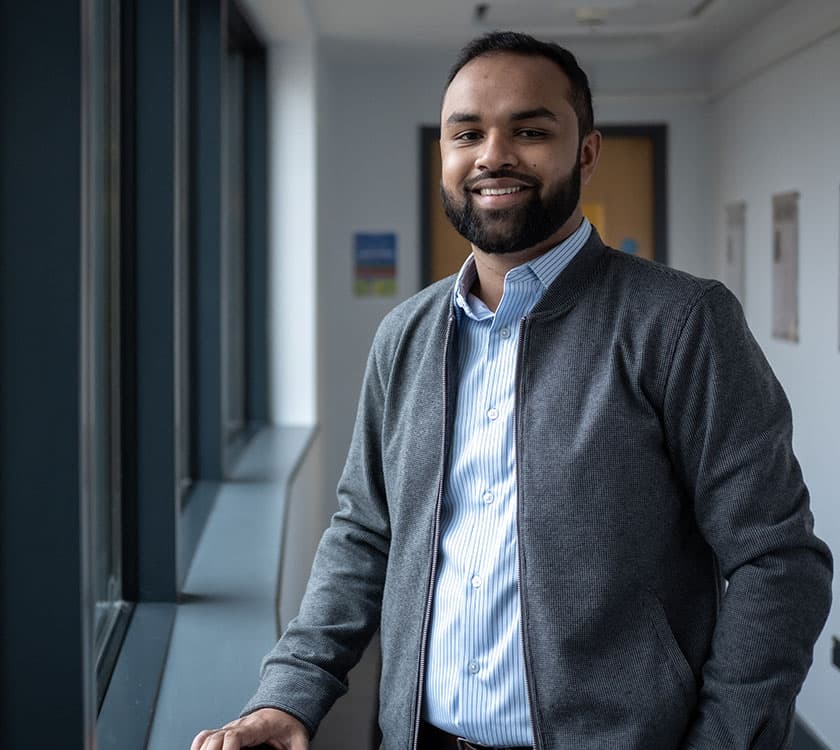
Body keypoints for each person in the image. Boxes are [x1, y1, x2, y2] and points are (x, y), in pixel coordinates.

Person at [191, 31, 833, 750]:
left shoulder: (681, 324)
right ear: (445, 154)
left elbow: (778, 559)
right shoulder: (405, 336)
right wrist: (290, 692)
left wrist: (726, 739)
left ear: (586, 152)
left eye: (529, 129)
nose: (493, 154)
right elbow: (363, 534)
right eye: (467, 132)